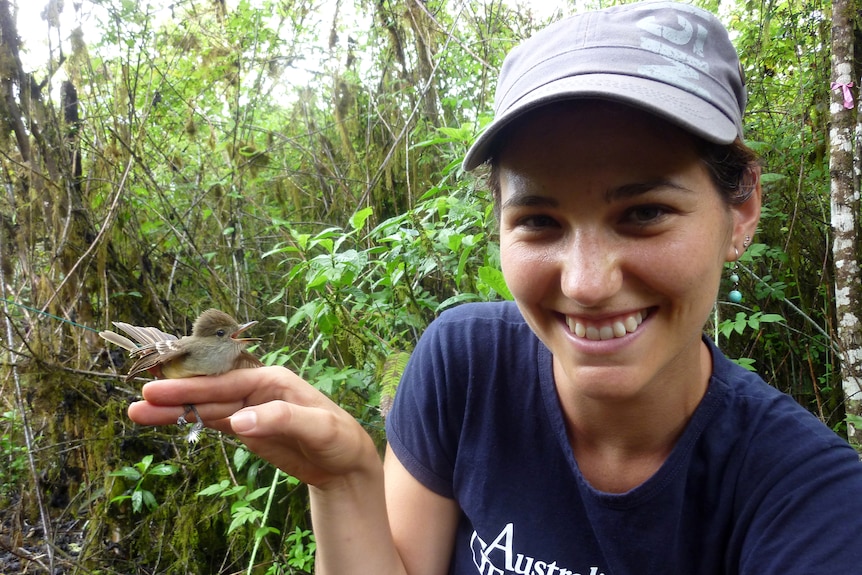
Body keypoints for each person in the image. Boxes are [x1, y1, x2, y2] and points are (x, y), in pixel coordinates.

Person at [128, 1, 862, 573]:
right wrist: (345, 477)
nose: (586, 280)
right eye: (541, 221)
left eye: (644, 213)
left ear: (742, 210)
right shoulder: (464, 366)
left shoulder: (811, 503)